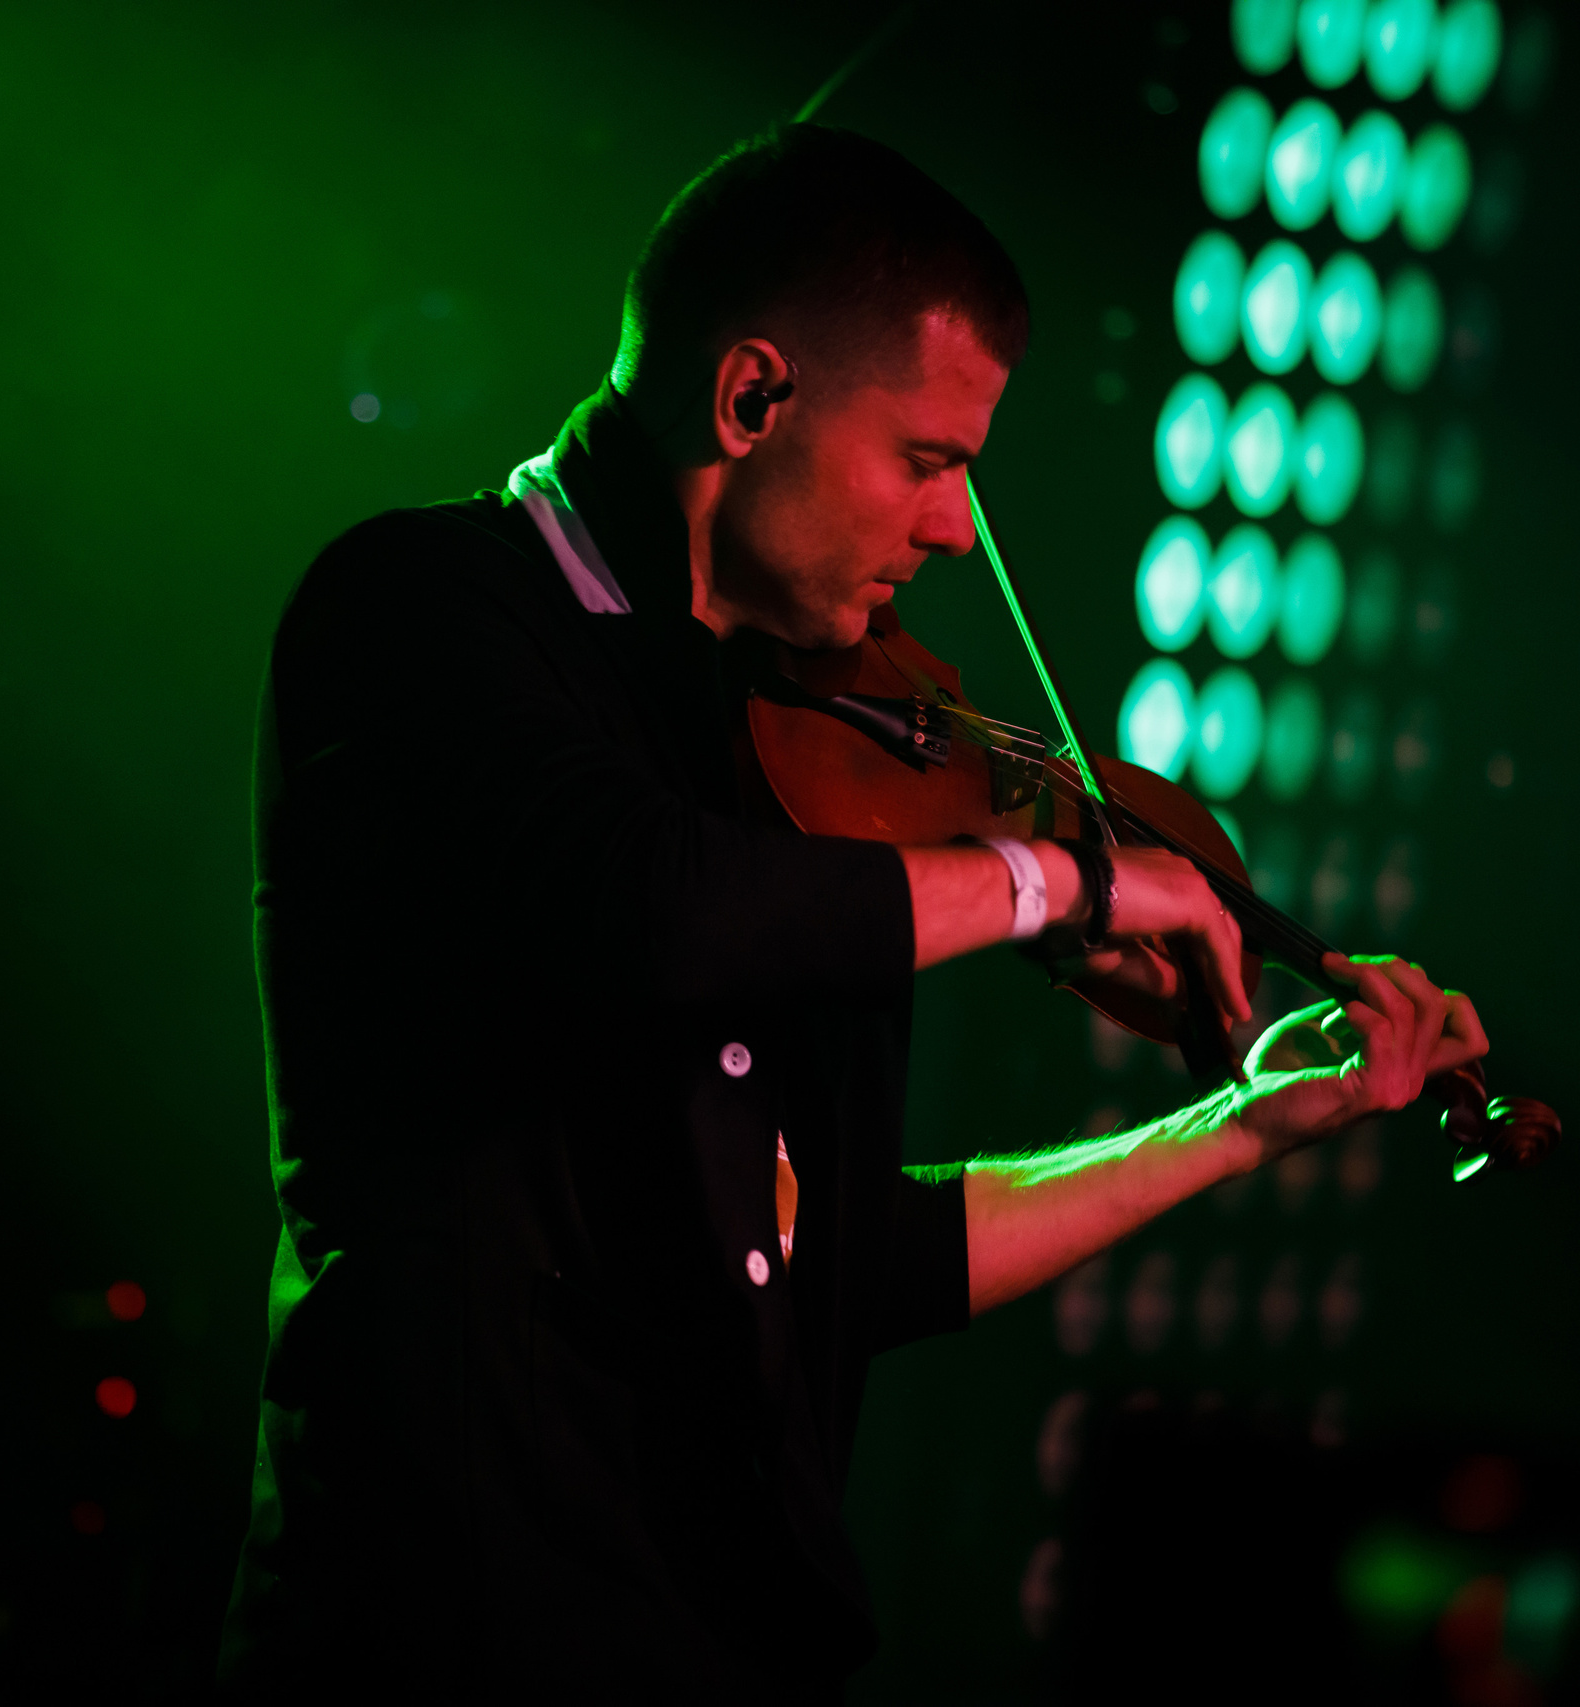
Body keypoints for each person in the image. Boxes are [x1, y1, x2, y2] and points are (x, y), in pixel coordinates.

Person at [219, 123, 1485, 1699]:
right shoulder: (421, 609)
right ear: (753, 398)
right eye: (928, 461)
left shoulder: (776, 733)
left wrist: (1232, 1127)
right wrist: (1067, 875)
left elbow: (822, 1263)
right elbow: (658, 913)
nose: (955, 529)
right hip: (448, 1635)